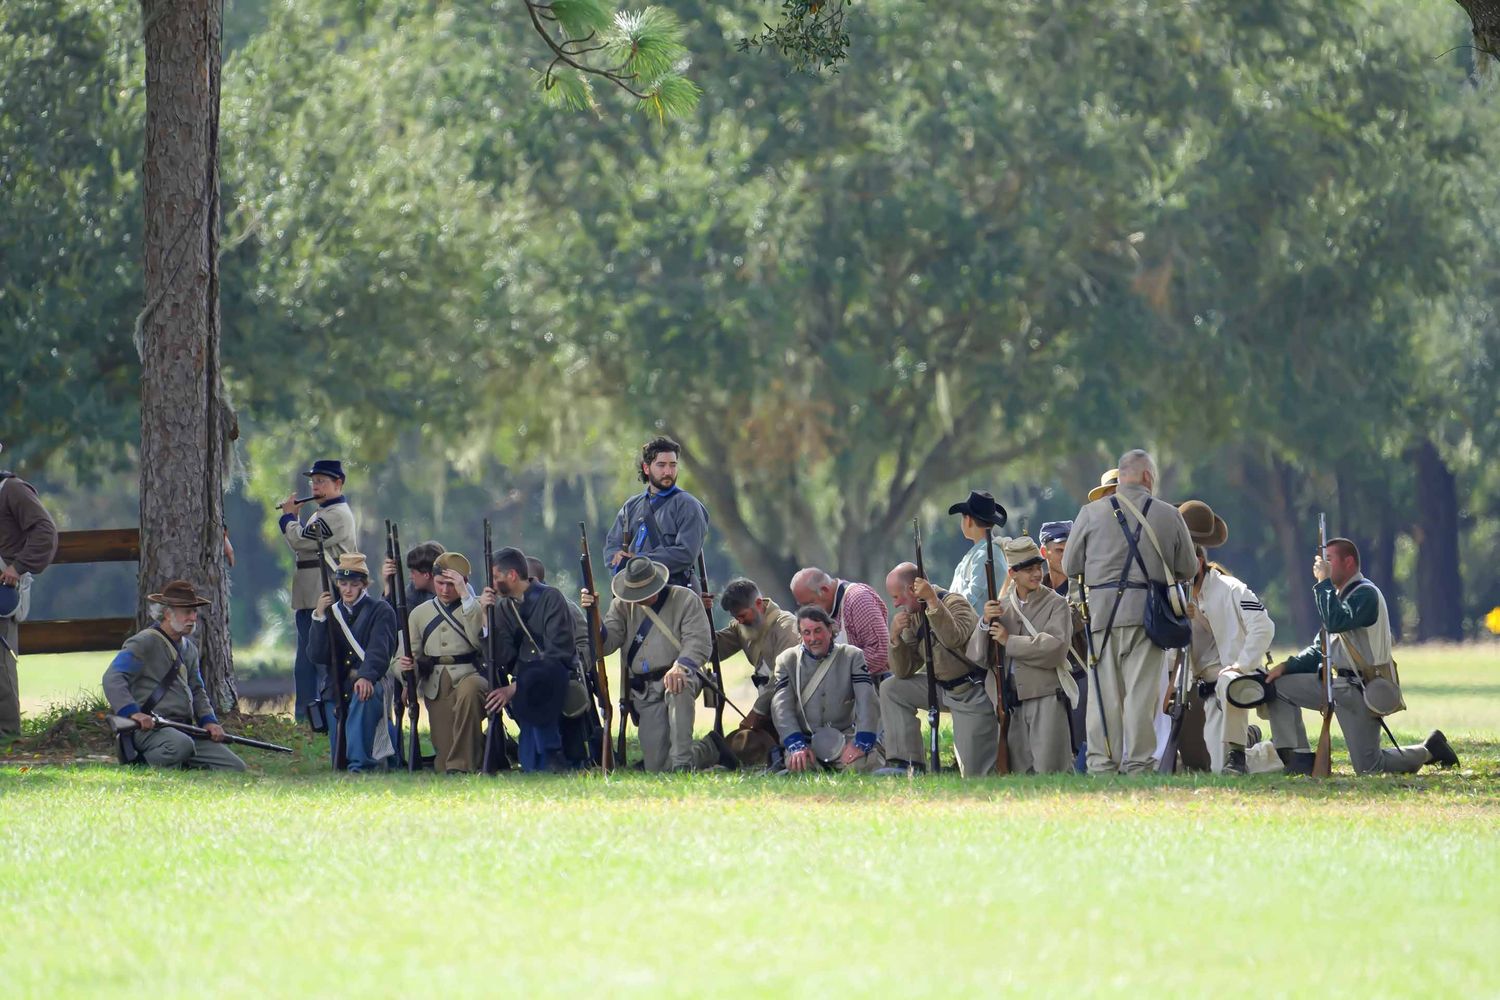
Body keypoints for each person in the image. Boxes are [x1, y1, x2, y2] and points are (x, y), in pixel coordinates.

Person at [1266, 537, 1459, 774]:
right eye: (1322, 562)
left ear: (1348, 562)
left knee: (1369, 769)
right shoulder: (1336, 598)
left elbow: (1336, 622)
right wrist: (1287, 666)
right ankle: (1298, 758)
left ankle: (1429, 750)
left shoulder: (1366, 594)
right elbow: (1321, 648)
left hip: (1361, 689)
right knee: (1279, 686)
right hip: (1337, 684)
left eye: (1329, 560)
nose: (1323, 567)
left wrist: (1323, 583)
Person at [1063, 449, 1197, 775]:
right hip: (1149, 617)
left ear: (1120, 476)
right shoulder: (1168, 514)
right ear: (1148, 477)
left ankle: (1101, 766)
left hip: (1102, 616)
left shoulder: (1090, 512)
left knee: (1103, 697)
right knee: (1141, 697)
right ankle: (1139, 766)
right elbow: (1188, 567)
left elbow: (1069, 565)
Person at [582, 555, 711, 772]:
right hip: (645, 690)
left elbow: (698, 641)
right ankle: (711, 748)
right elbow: (606, 644)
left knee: (678, 686)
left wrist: (680, 666)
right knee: (656, 766)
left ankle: (682, 766)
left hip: (682, 675)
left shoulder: (685, 599)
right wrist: (593, 615)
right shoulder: (621, 606)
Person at [101, 580, 245, 771]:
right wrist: (133, 713)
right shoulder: (145, 642)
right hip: (150, 729)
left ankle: (176, 762)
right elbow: (113, 677)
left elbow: (197, 690)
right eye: (187, 612)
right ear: (167, 614)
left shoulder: (189, 650)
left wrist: (209, 722)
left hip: (184, 729)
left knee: (234, 767)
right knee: (181, 745)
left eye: (194, 612)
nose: (193, 617)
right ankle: (140, 767)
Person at [1175, 501, 1275, 775]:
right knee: (1201, 765)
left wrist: (1241, 665)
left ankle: (1272, 754)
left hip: (1231, 683)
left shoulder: (1231, 588)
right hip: (1198, 690)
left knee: (1223, 770)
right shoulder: (1175, 596)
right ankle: (1248, 737)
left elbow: (1263, 626)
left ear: (1197, 562)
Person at [877, 562, 994, 776]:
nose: (895, 604)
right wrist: (894, 638)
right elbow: (904, 671)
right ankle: (907, 765)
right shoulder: (913, 617)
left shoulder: (955, 603)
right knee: (891, 688)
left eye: (896, 597)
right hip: (940, 689)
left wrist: (932, 601)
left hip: (970, 693)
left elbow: (953, 638)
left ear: (913, 589)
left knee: (976, 773)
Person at [983, 537, 1077, 774]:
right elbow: (977, 655)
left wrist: (1009, 641)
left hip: (1046, 697)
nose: (1037, 573)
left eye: (1038, 567)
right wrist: (984, 622)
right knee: (1019, 776)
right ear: (1013, 573)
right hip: (1012, 700)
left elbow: (1055, 648)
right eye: (1029, 569)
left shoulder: (1056, 604)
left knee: (1052, 773)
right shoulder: (1002, 606)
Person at [278, 459, 357, 732]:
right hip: (309, 595)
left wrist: (288, 518)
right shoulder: (322, 513)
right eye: (314, 481)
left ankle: (323, 717)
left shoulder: (336, 515)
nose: (316, 486)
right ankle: (306, 717)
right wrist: (296, 521)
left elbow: (301, 540)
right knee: (306, 661)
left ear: (339, 483)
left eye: (322, 481)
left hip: (325, 594)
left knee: (321, 658)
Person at [481, 547, 573, 772]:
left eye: (496, 577)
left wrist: (517, 686)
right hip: (524, 678)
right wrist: (485, 616)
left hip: (554, 674)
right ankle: (538, 761)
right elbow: (503, 655)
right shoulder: (503, 608)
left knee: (534, 683)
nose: (492, 584)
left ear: (512, 575)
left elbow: (557, 653)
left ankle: (551, 754)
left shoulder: (550, 597)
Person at [399, 552, 489, 774]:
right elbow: (408, 652)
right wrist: (406, 676)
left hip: (470, 675)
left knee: (471, 690)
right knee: (444, 759)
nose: (445, 590)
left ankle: (462, 767)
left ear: (463, 583)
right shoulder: (419, 614)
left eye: (452, 584)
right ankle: (475, 757)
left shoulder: (476, 607)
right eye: (440, 583)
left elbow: (480, 642)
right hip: (436, 683)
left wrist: (467, 597)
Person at [309, 553, 399, 772]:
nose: (347, 589)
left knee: (364, 695)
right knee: (338, 758)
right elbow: (317, 655)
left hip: (369, 680)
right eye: (343, 584)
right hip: (338, 685)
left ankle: (360, 768)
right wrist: (320, 616)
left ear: (364, 585)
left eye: (354, 584)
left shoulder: (380, 610)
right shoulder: (332, 613)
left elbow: (379, 649)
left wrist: (366, 676)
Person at [772, 606, 883, 773]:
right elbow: (781, 708)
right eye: (806, 633)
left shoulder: (852, 656)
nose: (813, 638)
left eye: (818, 631)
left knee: (859, 766)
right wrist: (796, 745)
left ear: (830, 630)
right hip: (806, 740)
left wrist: (860, 743)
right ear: (801, 635)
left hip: (844, 737)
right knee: (800, 767)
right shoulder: (787, 660)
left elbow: (867, 700)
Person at [0, 444, 58, 743]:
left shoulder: (12, 489)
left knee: (1, 668)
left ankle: (7, 737)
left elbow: (45, 531)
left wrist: (18, 566)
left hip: (2, 590)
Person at [526, 555, 601, 769]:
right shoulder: (514, 606)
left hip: (567, 675)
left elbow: (586, 644)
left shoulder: (564, 606)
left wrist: (574, 667)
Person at [603, 436, 709, 587]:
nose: (668, 471)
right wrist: (618, 559)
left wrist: (640, 560)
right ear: (646, 468)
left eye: (673, 465)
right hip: (635, 589)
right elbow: (613, 546)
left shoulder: (688, 505)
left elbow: (686, 554)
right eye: (661, 465)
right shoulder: (631, 506)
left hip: (676, 590)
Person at [788, 567, 891, 684]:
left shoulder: (858, 599)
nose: (806, 611)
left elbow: (880, 653)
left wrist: (836, 670)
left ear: (825, 590)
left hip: (872, 687)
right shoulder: (823, 612)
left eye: (809, 604)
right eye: (802, 606)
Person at [945, 490, 1009, 616]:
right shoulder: (979, 552)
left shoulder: (985, 553)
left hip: (977, 631)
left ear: (968, 520)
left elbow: (972, 600)